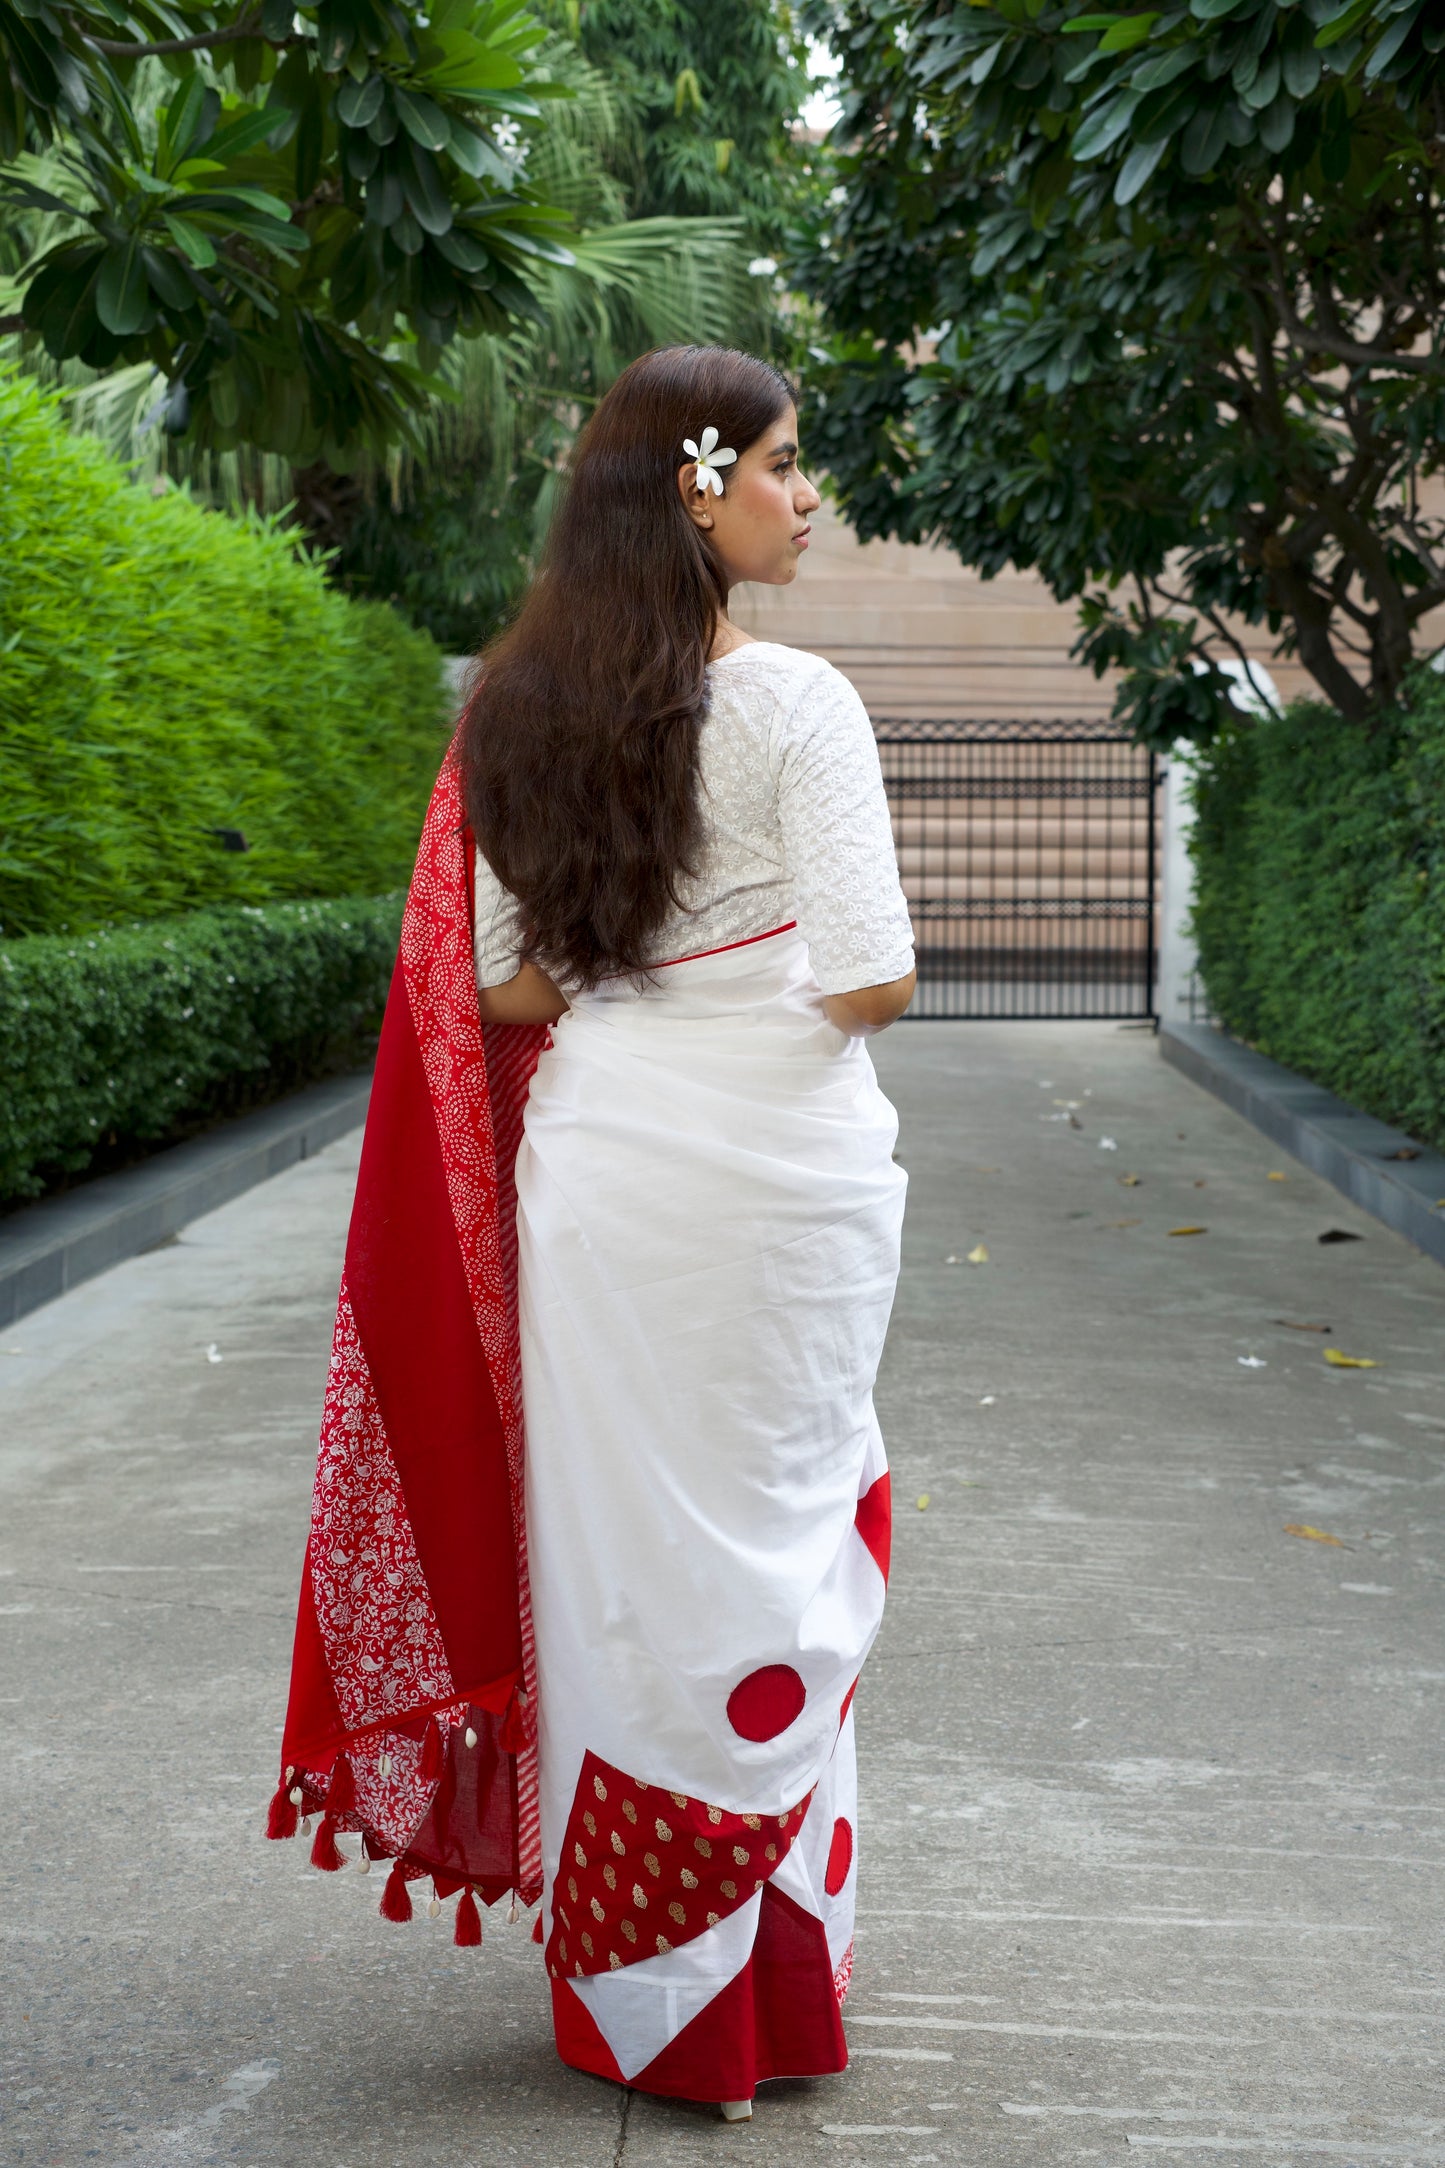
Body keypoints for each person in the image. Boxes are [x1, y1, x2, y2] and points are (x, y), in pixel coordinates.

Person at [270, 344, 914, 2125]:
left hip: (605, 1170)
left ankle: (641, 1994)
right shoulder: (800, 706)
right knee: (783, 1543)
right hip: (777, 1175)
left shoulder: (511, 708)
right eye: (785, 465)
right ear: (695, 489)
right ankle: (765, 1986)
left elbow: (503, 984)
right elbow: (870, 980)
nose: (808, 498)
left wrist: (644, 964)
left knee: (621, 1562)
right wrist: (749, 962)